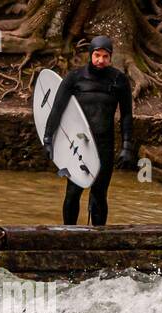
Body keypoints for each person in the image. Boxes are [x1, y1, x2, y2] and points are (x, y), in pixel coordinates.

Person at [42, 36, 134, 226]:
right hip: (78, 144)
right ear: (90, 55)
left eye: (105, 56)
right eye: (97, 55)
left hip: (104, 145)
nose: (100, 60)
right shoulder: (74, 78)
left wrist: (126, 146)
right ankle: (69, 233)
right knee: (73, 192)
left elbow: (126, 115)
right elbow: (56, 109)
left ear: (111, 57)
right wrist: (48, 138)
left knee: (99, 194)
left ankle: (98, 238)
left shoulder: (119, 80)